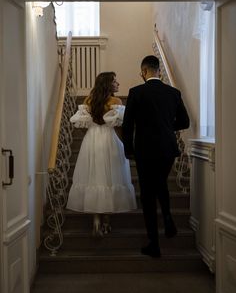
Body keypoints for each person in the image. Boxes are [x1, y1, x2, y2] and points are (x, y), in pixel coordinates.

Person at [122, 55, 190, 257]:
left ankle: (154, 243)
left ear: (143, 72)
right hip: (167, 149)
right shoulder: (173, 93)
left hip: (145, 150)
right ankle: (168, 217)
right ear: (158, 71)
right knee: (160, 183)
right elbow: (184, 122)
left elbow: (127, 126)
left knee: (148, 194)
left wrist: (129, 150)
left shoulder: (136, 93)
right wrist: (168, 128)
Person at [67, 72, 137, 236]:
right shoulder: (116, 102)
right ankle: (106, 222)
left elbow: (83, 125)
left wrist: (92, 136)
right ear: (107, 84)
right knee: (110, 179)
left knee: (93, 178)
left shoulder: (88, 101)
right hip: (109, 140)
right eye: (114, 81)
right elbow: (120, 126)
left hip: (91, 140)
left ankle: (96, 220)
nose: (118, 84)